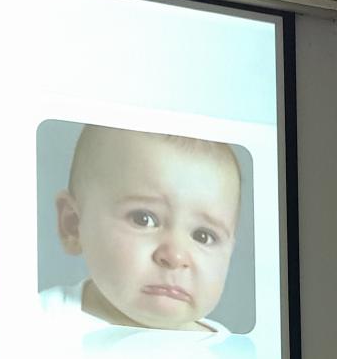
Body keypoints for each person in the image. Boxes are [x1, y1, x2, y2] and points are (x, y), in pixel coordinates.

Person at [40, 125, 241, 334]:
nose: (175, 256)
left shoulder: (228, 348)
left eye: (203, 236)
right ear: (73, 224)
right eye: (143, 219)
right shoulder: (38, 323)